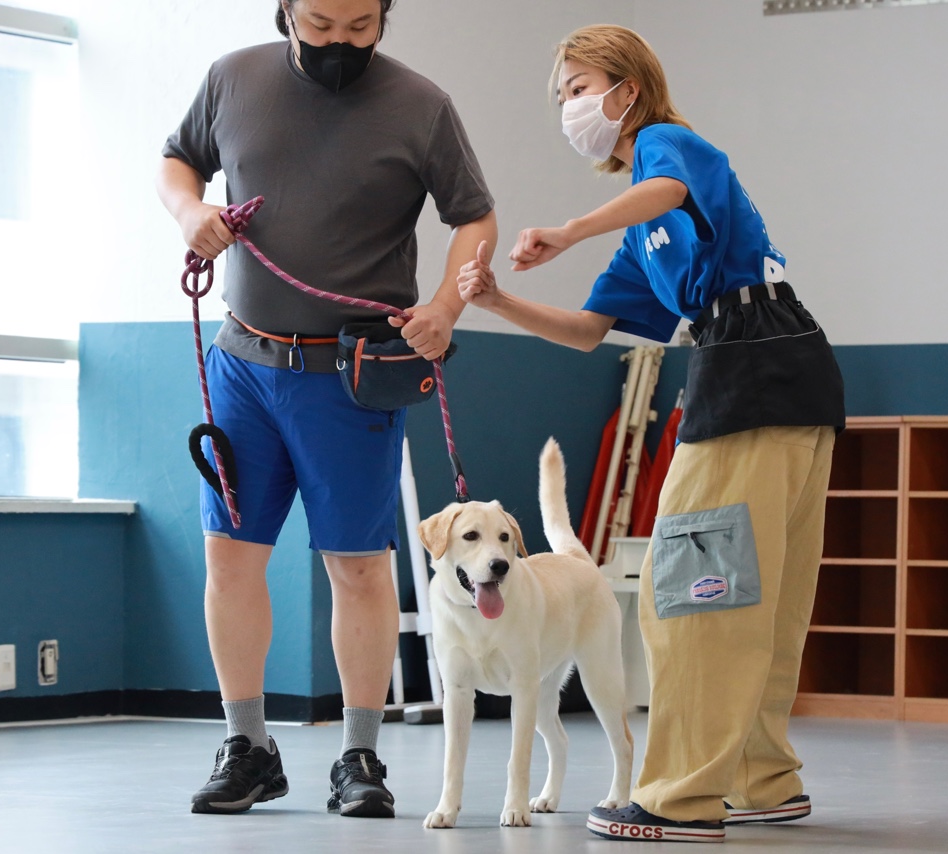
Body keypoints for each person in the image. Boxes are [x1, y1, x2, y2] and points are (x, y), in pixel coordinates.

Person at [457, 24, 844, 843]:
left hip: (752, 369)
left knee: (693, 593)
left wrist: (565, 229)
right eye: (561, 94)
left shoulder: (671, 146)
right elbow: (591, 329)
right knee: (765, 594)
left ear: (625, 90)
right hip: (784, 374)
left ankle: (677, 796)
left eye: (577, 86)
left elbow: (665, 192)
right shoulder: (638, 231)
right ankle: (763, 779)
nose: (568, 105)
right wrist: (496, 303)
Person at [157, 0, 496, 818]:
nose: (337, 42)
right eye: (318, 24)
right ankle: (248, 745)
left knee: (357, 566)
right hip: (243, 364)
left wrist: (447, 307)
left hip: (353, 377)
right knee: (230, 559)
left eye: (357, 26)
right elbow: (178, 162)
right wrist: (191, 212)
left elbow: (474, 217)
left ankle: (360, 755)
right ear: (285, 10)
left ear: (384, 16)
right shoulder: (232, 79)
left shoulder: (421, 105)